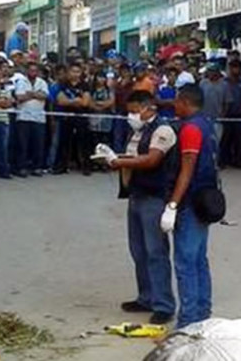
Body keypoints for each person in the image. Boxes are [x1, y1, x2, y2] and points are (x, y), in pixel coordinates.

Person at [92, 90, 178, 325]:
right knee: (139, 251)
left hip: (155, 197)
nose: (131, 115)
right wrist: (113, 158)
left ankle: (164, 304)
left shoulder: (163, 130)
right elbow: (132, 157)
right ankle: (146, 297)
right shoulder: (138, 132)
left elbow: (152, 160)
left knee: (155, 252)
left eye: (133, 110)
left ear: (147, 107)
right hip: (137, 195)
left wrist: (118, 162)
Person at [160, 84, 219, 329]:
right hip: (205, 198)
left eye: (176, 102)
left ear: (185, 102)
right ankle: (203, 311)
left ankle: (188, 321)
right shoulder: (207, 124)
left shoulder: (191, 129)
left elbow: (186, 170)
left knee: (185, 262)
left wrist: (172, 204)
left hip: (191, 202)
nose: (174, 106)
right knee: (198, 259)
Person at [14, 62, 48, 177]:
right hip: (24, 117)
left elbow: (45, 96)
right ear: (27, 71)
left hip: (39, 118)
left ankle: (37, 167)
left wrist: (30, 94)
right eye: (31, 70)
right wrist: (35, 94)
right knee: (22, 144)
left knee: (38, 144)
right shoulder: (21, 81)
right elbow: (19, 97)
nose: (33, 72)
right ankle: (21, 167)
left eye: (35, 70)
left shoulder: (42, 82)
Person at [57, 63, 92, 175]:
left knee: (84, 142)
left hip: (81, 117)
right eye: (73, 71)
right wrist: (75, 101)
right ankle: (62, 166)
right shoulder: (63, 84)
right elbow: (61, 101)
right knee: (64, 142)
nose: (75, 74)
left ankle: (86, 166)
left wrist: (71, 102)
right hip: (67, 117)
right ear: (68, 72)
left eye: (78, 72)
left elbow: (86, 102)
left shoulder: (85, 85)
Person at [220, 59, 241, 168]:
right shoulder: (224, 82)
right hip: (227, 114)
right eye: (233, 67)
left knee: (239, 140)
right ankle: (223, 160)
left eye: (237, 67)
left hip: (240, 114)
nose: (235, 70)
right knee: (225, 139)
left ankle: (238, 160)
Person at [46, 64, 67, 174]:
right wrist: (52, 118)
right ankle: (51, 163)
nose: (62, 76)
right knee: (55, 142)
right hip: (57, 117)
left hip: (66, 117)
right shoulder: (54, 87)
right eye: (60, 74)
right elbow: (51, 103)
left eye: (64, 73)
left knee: (63, 143)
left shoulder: (66, 86)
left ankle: (62, 164)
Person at [199, 63, 227, 142]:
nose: (209, 73)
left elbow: (227, 103)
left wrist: (223, 115)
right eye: (209, 71)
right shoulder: (203, 83)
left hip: (217, 119)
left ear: (217, 72)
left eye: (212, 71)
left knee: (216, 142)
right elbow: (199, 99)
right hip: (204, 118)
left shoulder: (224, 85)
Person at [89, 72, 115, 153]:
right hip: (93, 119)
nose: (101, 80)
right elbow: (89, 101)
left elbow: (111, 101)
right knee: (94, 140)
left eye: (103, 77)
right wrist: (95, 106)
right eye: (99, 77)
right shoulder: (91, 90)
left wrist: (101, 105)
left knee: (105, 140)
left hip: (106, 119)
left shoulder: (109, 90)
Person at [113, 64, 134, 154]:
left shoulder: (133, 84)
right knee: (118, 135)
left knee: (129, 135)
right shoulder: (116, 84)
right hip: (119, 111)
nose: (124, 73)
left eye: (126, 71)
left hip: (130, 112)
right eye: (122, 71)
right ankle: (118, 155)